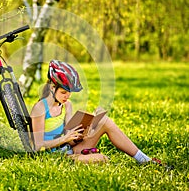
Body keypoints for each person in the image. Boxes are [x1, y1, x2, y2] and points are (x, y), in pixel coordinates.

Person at [30, 60, 165, 165]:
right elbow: (37, 146)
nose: (67, 96)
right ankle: (84, 158)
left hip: (68, 149)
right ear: (53, 88)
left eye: (69, 93)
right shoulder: (40, 108)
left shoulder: (67, 105)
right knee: (102, 158)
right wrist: (65, 139)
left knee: (104, 121)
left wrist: (82, 133)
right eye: (63, 92)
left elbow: (70, 137)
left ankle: (144, 159)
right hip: (52, 157)